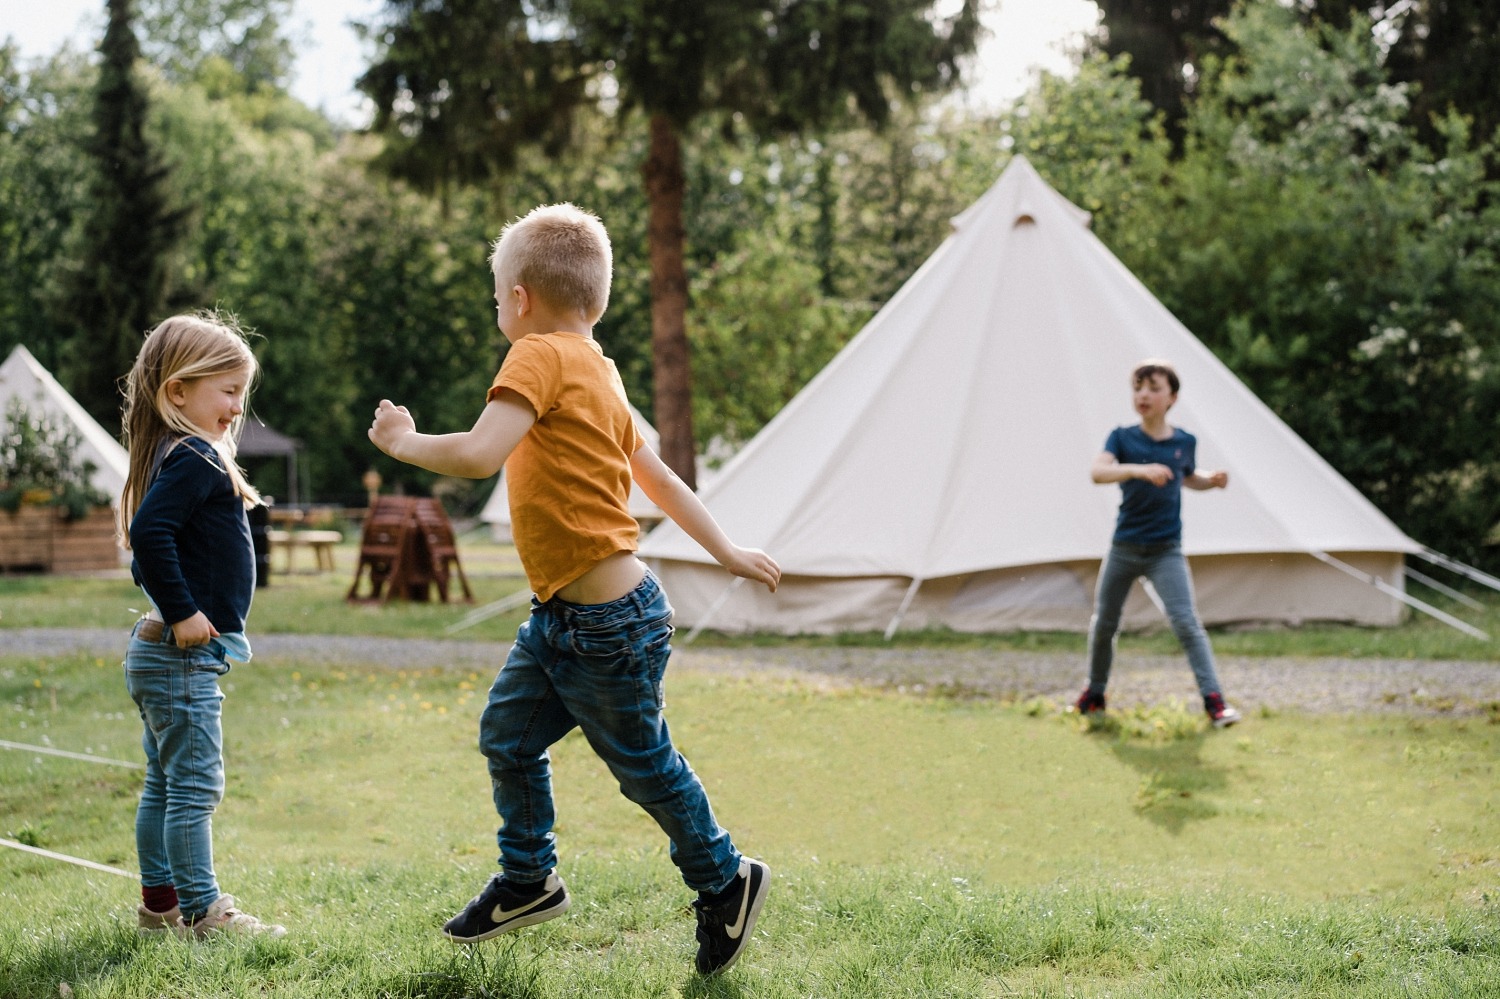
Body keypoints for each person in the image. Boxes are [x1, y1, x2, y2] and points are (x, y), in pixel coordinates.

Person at [368, 203, 781, 976]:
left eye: (497, 297)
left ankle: (726, 879)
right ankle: (529, 878)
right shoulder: (599, 368)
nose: (500, 310)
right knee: (509, 735)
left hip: (603, 626)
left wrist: (402, 440)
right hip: (571, 617)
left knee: (645, 765)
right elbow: (657, 478)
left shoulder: (535, 356)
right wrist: (725, 547)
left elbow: (480, 453)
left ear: (520, 298)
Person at [119, 313, 285, 938]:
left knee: (164, 784)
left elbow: (148, 548)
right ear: (178, 390)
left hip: (160, 652)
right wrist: (187, 613)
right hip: (179, 653)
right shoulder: (192, 456)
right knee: (193, 787)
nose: (237, 406)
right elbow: (148, 538)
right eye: (228, 390)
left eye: (242, 392)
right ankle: (203, 912)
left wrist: (176, 609)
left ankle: (159, 909)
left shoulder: (178, 454)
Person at [1075, 359, 1243, 729]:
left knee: (1186, 623)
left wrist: (1209, 479)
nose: (1143, 395)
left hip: (1165, 551)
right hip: (1124, 548)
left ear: (1172, 398)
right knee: (1104, 623)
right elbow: (1097, 472)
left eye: (1153, 388)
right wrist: (1137, 469)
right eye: (1138, 388)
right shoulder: (1121, 438)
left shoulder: (1185, 442)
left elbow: (1185, 477)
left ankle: (1214, 702)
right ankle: (1094, 695)